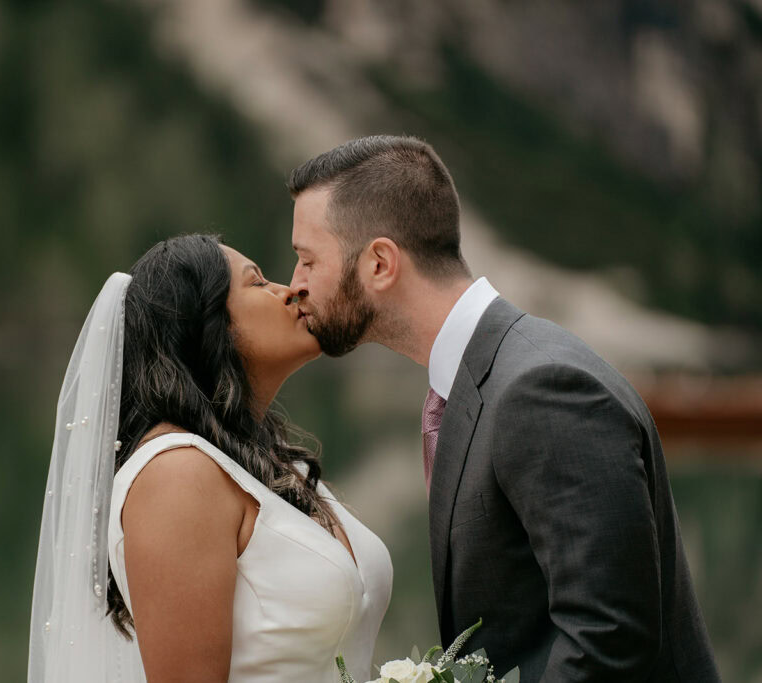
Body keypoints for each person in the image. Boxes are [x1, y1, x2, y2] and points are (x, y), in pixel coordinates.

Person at [286, 135, 720, 682]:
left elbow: (609, 639)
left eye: (307, 259)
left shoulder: (543, 389)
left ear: (379, 263)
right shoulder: (481, 380)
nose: (296, 283)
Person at [27, 234, 393, 683]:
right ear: (203, 323)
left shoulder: (274, 466)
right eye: (257, 283)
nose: (289, 290)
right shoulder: (176, 476)